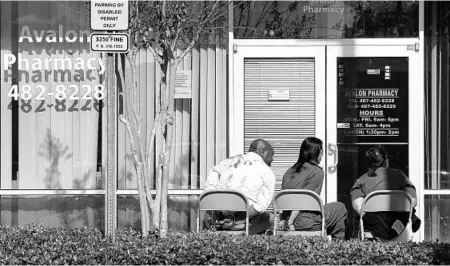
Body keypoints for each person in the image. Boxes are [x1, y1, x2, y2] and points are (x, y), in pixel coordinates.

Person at [203, 138, 276, 234]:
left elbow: (209, 192)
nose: (272, 159)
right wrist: (235, 219)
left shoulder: (224, 163)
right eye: (271, 155)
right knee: (271, 219)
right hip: (242, 222)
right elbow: (260, 207)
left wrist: (222, 213)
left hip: (216, 220)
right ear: (262, 152)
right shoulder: (267, 172)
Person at [280, 137, 348, 240]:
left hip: (287, 218)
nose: (323, 155)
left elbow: (284, 200)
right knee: (340, 208)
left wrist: (284, 220)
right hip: (305, 222)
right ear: (316, 153)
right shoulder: (317, 172)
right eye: (322, 152)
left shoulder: (290, 171)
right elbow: (304, 200)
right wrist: (290, 222)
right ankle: (339, 248)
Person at [350, 146, 421, 240]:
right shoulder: (400, 176)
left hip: (373, 229)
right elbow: (412, 201)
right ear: (386, 161)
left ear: (368, 163)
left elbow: (358, 207)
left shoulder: (362, 181)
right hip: (398, 227)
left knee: (359, 219)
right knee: (409, 214)